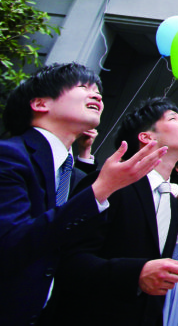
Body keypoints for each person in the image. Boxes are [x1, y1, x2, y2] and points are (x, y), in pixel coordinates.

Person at [0, 63, 166, 326]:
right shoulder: (9, 155)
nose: (97, 95)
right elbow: (12, 244)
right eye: (83, 86)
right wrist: (101, 189)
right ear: (41, 103)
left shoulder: (74, 174)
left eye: (98, 90)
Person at [47, 98, 178, 326]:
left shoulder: (173, 203)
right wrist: (136, 273)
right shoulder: (108, 185)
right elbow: (69, 261)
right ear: (147, 137)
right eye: (173, 118)